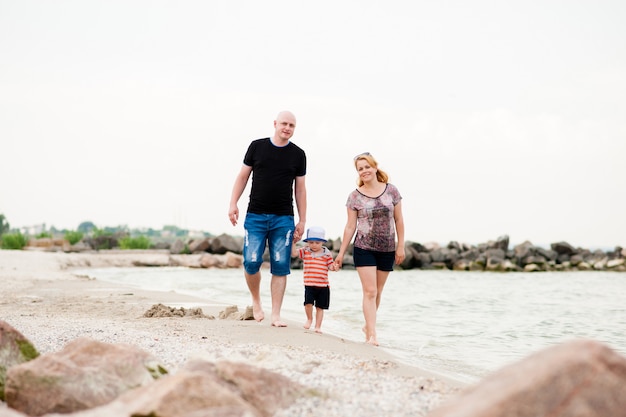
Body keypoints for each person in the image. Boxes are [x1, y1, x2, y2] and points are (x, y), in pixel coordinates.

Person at [228, 111, 307, 327]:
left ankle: (277, 315)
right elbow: (243, 176)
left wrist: (302, 220)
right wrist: (233, 203)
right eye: (284, 123)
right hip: (255, 216)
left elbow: (300, 190)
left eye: (291, 125)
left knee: (280, 265)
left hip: (284, 219)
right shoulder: (257, 147)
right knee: (251, 262)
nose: (287, 128)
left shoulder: (298, 154)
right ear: (275, 124)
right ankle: (256, 301)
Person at [334, 152, 405, 346]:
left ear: (375, 167)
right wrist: (340, 254)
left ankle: (368, 325)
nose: (364, 171)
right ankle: (372, 334)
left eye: (367, 167)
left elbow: (398, 219)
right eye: (360, 168)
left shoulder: (392, 191)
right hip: (363, 247)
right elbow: (350, 226)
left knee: (378, 291)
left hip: (387, 248)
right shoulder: (354, 197)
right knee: (370, 291)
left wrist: (401, 246)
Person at [291, 226, 337, 333]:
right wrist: (293, 243)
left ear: (322, 242)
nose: (314, 245)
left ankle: (318, 326)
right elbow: (294, 254)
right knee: (308, 304)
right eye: (311, 242)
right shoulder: (305, 251)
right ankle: (309, 319)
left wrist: (334, 267)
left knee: (320, 307)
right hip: (309, 284)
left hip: (323, 286)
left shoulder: (327, 253)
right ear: (307, 242)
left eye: (317, 243)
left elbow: (330, 266)